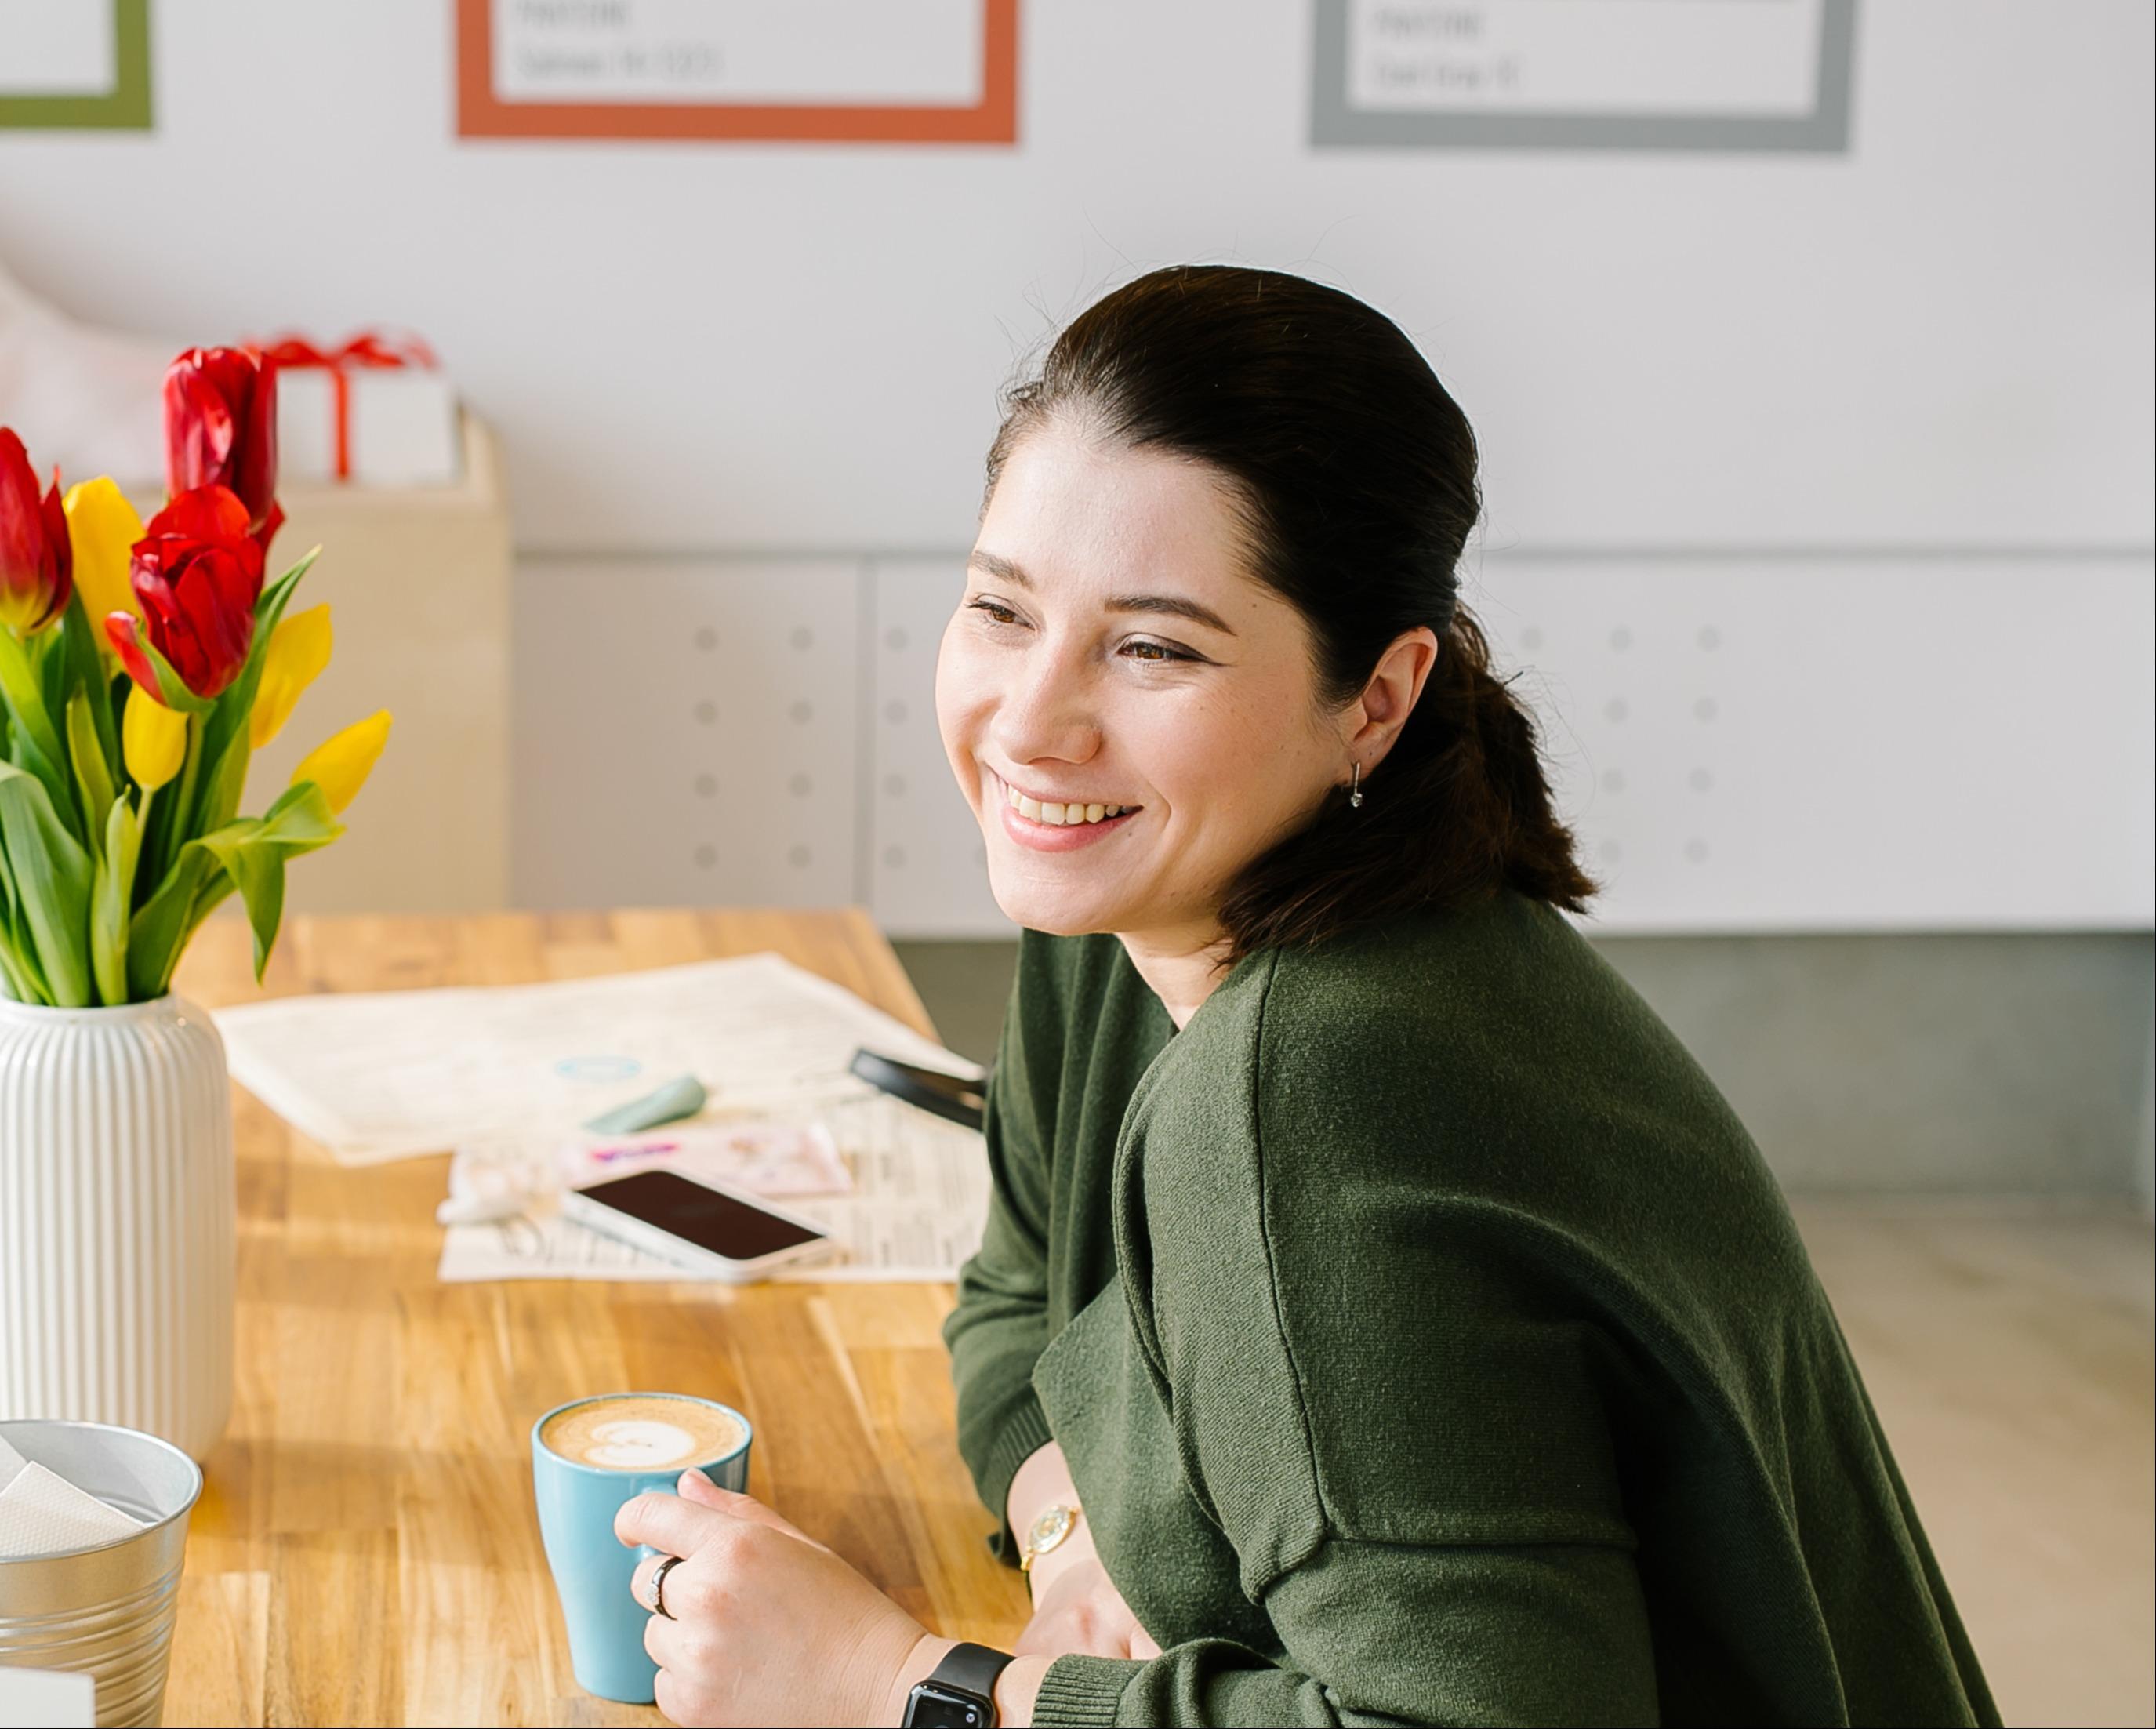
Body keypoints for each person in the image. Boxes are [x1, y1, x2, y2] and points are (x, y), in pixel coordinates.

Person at [614, 264, 1999, 1727]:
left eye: (1153, 646)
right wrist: (1073, 1534)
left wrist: (903, 1685)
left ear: (1376, 700)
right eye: (1000, 609)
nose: (1032, 721)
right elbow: (1022, 1288)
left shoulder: (1318, 1085)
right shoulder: (1132, 912)